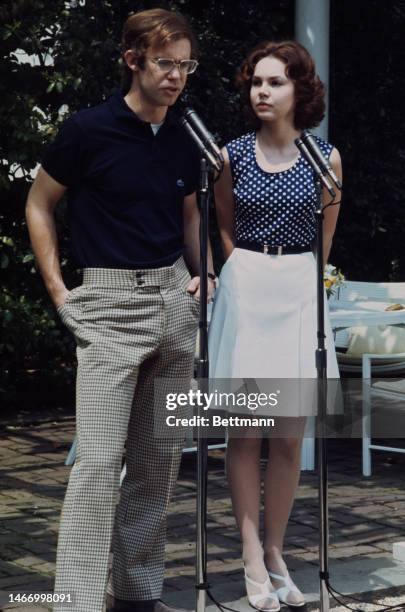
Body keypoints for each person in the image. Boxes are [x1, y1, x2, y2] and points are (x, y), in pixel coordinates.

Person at [25, 8, 215, 612]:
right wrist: (61, 294)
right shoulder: (88, 129)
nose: (177, 76)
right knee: (98, 466)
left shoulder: (186, 132)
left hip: (173, 299)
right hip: (107, 302)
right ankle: (77, 602)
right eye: (166, 63)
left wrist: (205, 270)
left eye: (185, 65)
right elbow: (38, 204)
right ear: (133, 60)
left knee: (159, 465)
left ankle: (137, 594)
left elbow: (189, 214)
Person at [208, 40, 342, 611]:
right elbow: (223, 226)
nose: (262, 91)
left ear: (299, 92)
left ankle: (278, 549)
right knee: (246, 430)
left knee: (289, 435)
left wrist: (303, 278)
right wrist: (239, 272)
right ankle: (249, 554)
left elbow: (326, 235)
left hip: (299, 287)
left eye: (275, 82)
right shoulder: (230, 153)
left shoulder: (325, 156)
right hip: (248, 283)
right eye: (256, 82)